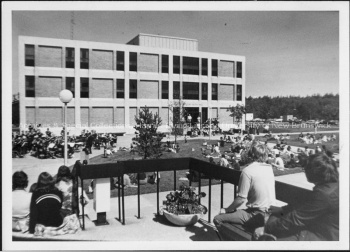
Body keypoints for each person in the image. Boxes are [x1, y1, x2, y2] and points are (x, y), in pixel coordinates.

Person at [256, 153, 339, 241]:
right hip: (324, 231)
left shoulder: (323, 194)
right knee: (273, 218)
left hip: (323, 237)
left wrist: (266, 229)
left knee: (266, 232)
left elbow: (295, 220)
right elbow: (306, 206)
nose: (304, 171)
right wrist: (282, 210)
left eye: (306, 169)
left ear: (314, 172)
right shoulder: (331, 186)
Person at [214, 142, 276, 240]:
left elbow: (241, 199)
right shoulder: (269, 168)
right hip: (270, 213)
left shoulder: (247, 171)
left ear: (250, 155)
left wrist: (226, 210)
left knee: (218, 219)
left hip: (255, 214)